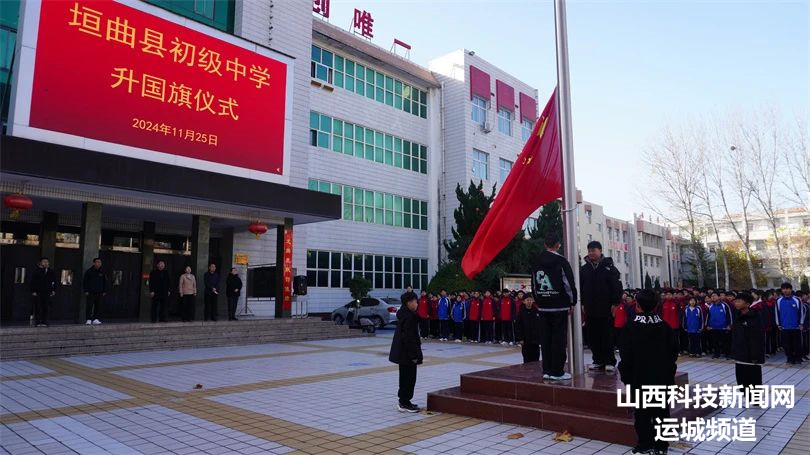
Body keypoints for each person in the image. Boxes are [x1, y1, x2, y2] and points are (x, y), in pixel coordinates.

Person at [618, 290, 678, 455]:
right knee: (662, 412)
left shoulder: (630, 326)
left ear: (637, 305)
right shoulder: (665, 326)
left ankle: (645, 445)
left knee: (642, 413)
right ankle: (661, 446)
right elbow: (673, 353)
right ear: (657, 305)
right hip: (662, 379)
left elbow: (625, 355)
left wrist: (626, 377)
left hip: (639, 378)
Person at [531, 233, 577, 381]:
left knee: (545, 339)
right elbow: (568, 284)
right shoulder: (561, 261)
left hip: (543, 307)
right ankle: (557, 372)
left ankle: (547, 370)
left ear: (545, 245)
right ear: (558, 245)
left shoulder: (536, 261)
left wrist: (539, 301)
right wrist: (572, 302)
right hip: (559, 306)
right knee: (558, 339)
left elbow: (533, 284)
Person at [580, 241, 623, 372]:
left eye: (593, 250)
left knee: (607, 336)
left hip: (606, 308)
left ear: (600, 251)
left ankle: (609, 361)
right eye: (589, 251)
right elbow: (581, 287)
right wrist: (582, 303)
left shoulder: (609, 267)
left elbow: (617, 287)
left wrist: (615, 303)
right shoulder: (584, 269)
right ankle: (597, 360)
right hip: (590, 308)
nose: (591, 253)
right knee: (593, 336)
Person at [389, 291, 423, 413]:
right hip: (407, 354)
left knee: (405, 377)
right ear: (409, 303)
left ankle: (403, 401)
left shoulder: (404, 314)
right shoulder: (409, 317)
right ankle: (405, 402)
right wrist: (414, 355)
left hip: (403, 353)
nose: (417, 303)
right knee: (409, 378)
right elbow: (409, 338)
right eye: (415, 301)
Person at [731, 291, 765, 388]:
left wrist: (756, 356)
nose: (736, 303)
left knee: (754, 384)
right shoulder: (736, 315)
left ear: (747, 304)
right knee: (742, 383)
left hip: (752, 357)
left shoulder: (755, 317)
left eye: (739, 301)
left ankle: (755, 398)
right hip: (740, 355)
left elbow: (758, 338)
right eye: (736, 301)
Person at [776, 282, 805, 365]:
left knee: (797, 344)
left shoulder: (797, 300)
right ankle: (789, 358)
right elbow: (777, 313)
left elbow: (801, 312)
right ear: (782, 290)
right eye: (783, 289)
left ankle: (798, 358)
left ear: (791, 289)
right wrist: (778, 324)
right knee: (787, 345)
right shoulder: (778, 301)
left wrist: (801, 323)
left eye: (787, 288)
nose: (785, 290)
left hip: (796, 327)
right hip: (784, 327)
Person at [514, 295, 541, 365]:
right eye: (527, 300)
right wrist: (520, 338)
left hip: (535, 340)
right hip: (525, 339)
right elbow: (518, 326)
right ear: (524, 302)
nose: (529, 301)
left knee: (536, 358)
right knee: (527, 358)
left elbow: (540, 325)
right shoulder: (521, 313)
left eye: (530, 300)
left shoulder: (537, 311)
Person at [30, 257, 57, 327]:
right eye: (44, 262)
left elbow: (54, 281)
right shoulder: (36, 271)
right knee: (38, 306)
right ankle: (38, 322)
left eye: (47, 262)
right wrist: (33, 291)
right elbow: (32, 281)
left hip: (47, 291)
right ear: (40, 263)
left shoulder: (51, 271)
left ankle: (45, 321)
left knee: (46, 307)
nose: (46, 263)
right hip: (38, 291)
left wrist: (53, 290)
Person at [706, 293, 733, 359]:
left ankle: (728, 354)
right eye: (712, 296)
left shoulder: (724, 305)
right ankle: (716, 354)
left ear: (719, 297)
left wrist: (729, 325)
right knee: (715, 342)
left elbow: (729, 315)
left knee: (725, 342)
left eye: (714, 296)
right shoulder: (710, 306)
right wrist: (707, 325)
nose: (713, 297)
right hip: (713, 327)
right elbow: (708, 316)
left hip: (723, 327)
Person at [82, 258, 107, 325]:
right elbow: (85, 281)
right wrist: (86, 290)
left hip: (99, 292)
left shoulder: (102, 272)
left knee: (98, 306)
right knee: (89, 306)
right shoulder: (89, 271)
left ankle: (95, 319)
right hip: (91, 292)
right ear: (94, 263)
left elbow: (105, 282)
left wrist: (104, 290)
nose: (99, 263)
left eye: (100, 262)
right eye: (97, 262)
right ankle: (88, 319)